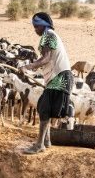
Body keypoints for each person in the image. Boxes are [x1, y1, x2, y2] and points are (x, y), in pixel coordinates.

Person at [19, 12, 73, 154]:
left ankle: (39, 145)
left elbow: (46, 58)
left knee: (44, 107)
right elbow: (46, 60)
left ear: (43, 25)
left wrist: (27, 66)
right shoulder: (50, 35)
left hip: (60, 78)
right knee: (45, 106)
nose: (35, 29)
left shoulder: (48, 36)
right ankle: (46, 141)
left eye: (36, 26)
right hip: (59, 77)